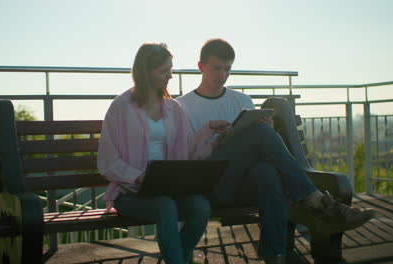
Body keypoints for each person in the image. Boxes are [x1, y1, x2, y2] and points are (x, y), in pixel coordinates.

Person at [176, 38, 375, 264]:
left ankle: (274, 256)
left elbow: (258, 149)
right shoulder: (183, 106)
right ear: (200, 67)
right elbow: (184, 156)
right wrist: (216, 142)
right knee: (260, 137)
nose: (222, 75)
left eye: (227, 69)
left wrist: (267, 132)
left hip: (242, 183)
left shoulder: (241, 100)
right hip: (210, 183)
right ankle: (315, 199)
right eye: (216, 68)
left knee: (267, 172)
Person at [97, 43, 229, 264]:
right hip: (130, 191)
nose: (170, 75)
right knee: (165, 206)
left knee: (200, 207)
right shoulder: (121, 107)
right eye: (164, 71)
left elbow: (187, 149)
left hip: (169, 187)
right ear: (145, 72)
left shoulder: (173, 108)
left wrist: (208, 129)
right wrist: (139, 176)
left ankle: (177, 259)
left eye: (170, 69)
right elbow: (108, 160)